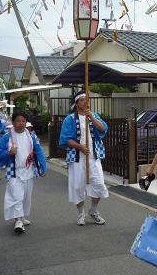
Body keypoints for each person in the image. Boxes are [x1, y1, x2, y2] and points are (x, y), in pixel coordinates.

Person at [59, 91, 109, 226]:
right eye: (81, 100)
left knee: (98, 183)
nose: (85, 102)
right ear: (76, 103)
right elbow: (65, 139)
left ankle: (93, 210)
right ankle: (81, 213)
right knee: (77, 186)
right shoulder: (69, 119)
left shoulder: (93, 115)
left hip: (93, 156)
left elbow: (103, 129)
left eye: (86, 99)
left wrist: (91, 116)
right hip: (76, 157)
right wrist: (79, 146)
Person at [0, 111, 47, 234]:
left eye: (23, 121)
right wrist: (9, 153)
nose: (21, 123)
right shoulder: (7, 137)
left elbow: (39, 151)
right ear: (13, 122)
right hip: (14, 171)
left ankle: (22, 216)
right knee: (17, 196)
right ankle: (18, 221)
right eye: (18, 121)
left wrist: (43, 167)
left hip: (28, 170)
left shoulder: (31, 136)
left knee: (26, 196)